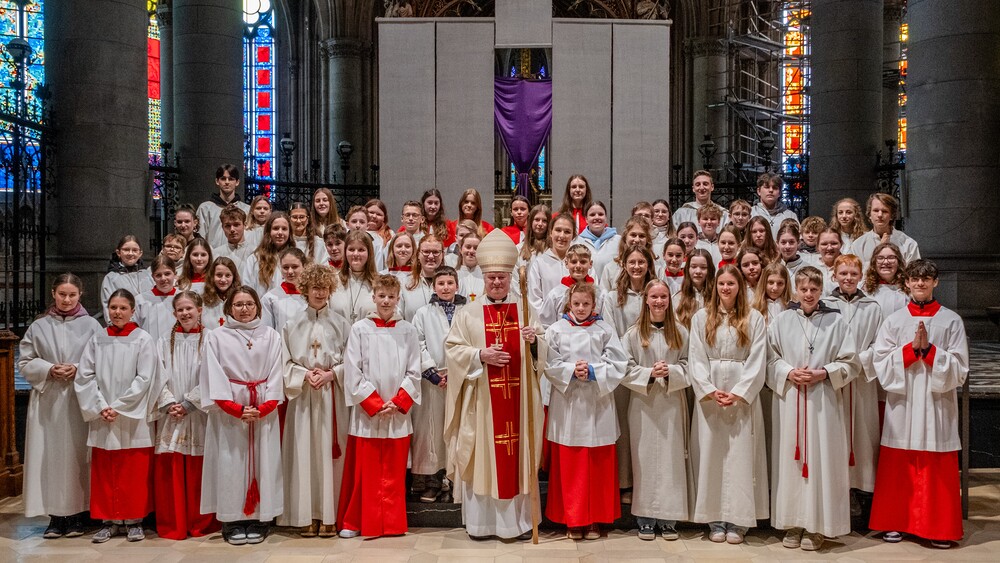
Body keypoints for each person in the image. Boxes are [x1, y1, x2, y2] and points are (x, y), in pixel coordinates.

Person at [444, 228, 543, 540]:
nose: (497, 282)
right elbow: (453, 350)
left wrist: (534, 341)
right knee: (484, 459)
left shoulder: (526, 310)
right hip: (483, 404)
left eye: (502, 277)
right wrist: (480, 355)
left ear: (509, 277)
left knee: (517, 459)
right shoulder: (469, 314)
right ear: (483, 278)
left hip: (519, 403)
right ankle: (482, 524)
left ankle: (518, 524)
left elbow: (545, 354)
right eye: (492, 278)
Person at [869, 260, 968, 549]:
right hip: (904, 401)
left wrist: (931, 351)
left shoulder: (952, 321)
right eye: (915, 279)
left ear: (936, 282)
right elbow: (880, 362)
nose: (920, 284)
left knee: (935, 460)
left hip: (936, 402)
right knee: (898, 459)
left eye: (926, 279)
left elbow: (960, 368)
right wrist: (911, 351)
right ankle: (894, 522)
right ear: (907, 283)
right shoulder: (894, 320)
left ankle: (937, 528)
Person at [766, 266, 860, 551]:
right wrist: (787, 372)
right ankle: (792, 523)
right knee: (790, 462)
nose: (808, 294)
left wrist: (825, 372)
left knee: (822, 462)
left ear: (821, 291)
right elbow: (769, 358)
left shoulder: (837, 322)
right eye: (803, 289)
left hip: (823, 401)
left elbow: (851, 362)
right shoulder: (781, 321)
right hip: (790, 399)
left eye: (814, 290)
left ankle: (818, 526)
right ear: (795, 289)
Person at [688, 265, 768, 545]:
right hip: (711, 395)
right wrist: (709, 390)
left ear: (739, 287)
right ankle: (714, 517)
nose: (725, 288)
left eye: (731, 284)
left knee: (739, 456)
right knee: (711, 455)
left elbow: (758, 358)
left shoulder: (754, 317)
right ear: (715, 287)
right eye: (721, 283)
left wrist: (739, 391)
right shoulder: (701, 317)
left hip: (741, 395)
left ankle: (738, 519)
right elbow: (695, 357)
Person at [19, 274, 103, 538]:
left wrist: (77, 368)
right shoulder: (39, 326)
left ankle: (79, 514)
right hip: (50, 400)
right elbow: (25, 361)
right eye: (62, 294)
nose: (67, 300)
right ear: (53, 293)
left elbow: (102, 358)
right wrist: (48, 368)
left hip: (79, 399)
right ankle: (55, 517)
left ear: (80, 295)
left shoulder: (91, 325)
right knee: (50, 457)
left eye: (72, 295)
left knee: (78, 457)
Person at [337, 274, 421, 538]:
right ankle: (358, 521)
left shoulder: (407, 330)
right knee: (367, 470)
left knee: (394, 473)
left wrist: (397, 403)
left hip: (396, 413)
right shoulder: (360, 328)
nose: (386, 301)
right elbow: (353, 371)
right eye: (381, 296)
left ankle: (392, 524)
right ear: (373, 297)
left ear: (398, 299)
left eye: (391, 296)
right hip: (368, 414)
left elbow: (414, 371)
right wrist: (374, 403)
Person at [199, 286, 285, 545]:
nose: (244, 309)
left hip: (262, 411)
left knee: (263, 462)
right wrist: (235, 409)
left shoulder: (271, 336)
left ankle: (261, 519)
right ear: (229, 308)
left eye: (249, 303)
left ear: (258, 306)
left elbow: (276, 371)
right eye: (239, 304)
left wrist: (264, 407)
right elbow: (212, 374)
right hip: (231, 414)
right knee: (230, 463)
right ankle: (233, 520)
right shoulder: (216, 337)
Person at [543, 282, 628, 540]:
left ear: (594, 304)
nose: (581, 309)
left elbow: (618, 363)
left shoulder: (604, 329)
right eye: (576, 304)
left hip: (597, 403)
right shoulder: (556, 330)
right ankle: (572, 519)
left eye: (586, 304)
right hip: (568, 404)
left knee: (598, 464)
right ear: (569, 303)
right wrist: (571, 371)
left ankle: (594, 520)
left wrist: (593, 371)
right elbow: (548, 362)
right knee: (571, 464)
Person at [76, 288, 157, 543]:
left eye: (123, 308)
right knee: (105, 467)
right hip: (103, 413)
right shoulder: (98, 338)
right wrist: (101, 406)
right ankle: (108, 520)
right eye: (113, 308)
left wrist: (119, 406)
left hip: (131, 414)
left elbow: (145, 377)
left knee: (133, 467)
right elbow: (85, 375)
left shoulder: (143, 339)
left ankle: (134, 520)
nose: (118, 312)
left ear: (133, 310)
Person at [278, 264, 351, 538]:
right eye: (315, 287)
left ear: (331, 290)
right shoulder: (291, 324)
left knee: (331, 458)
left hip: (332, 396)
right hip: (305, 397)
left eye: (325, 287)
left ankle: (329, 515)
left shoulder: (342, 324)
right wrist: (304, 373)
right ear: (305, 290)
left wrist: (332, 373)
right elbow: (284, 363)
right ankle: (306, 515)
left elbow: (353, 363)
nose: (320, 292)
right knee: (304, 455)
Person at [621, 280, 690, 541]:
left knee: (671, 459)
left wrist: (671, 371)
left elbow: (690, 364)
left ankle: (669, 518)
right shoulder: (632, 334)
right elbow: (624, 368)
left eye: (663, 296)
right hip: (644, 403)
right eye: (654, 297)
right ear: (646, 300)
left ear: (669, 300)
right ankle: (645, 517)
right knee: (644, 459)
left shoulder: (681, 332)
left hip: (672, 401)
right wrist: (649, 373)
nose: (659, 301)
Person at [150, 290, 220, 540]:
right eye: (180, 310)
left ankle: (200, 522)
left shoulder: (212, 339)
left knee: (198, 470)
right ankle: (174, 522)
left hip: (199, 414)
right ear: (174, 313)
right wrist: (170, 403)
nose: (185, 313)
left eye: (189, 308)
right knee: (173, 470)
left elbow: (215, 374)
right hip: (172, 414)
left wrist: (190, 403)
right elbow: (156, 374)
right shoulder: (162, 342)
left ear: (200, 310)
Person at [822, 254, 883, 528]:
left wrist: (855, 363)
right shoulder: (825, 304)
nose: (848, 278)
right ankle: (836, 494)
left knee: (862, 437)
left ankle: (862, 495)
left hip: (860, 382)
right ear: (834, 275)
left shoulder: (872, 307)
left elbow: (880, 344)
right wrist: (836, 367)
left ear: (861, 276)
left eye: (853, 274)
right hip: (832, 380)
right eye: (843, 273)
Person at [411, 266, 467, 503]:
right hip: (434, 380)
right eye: (441, 283)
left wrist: (461, 371)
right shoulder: (422, 313)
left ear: (457, 285)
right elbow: (418, 342)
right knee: (431, 431)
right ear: (433, 286)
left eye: (450, 283)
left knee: (458, 429)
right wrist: (432, 372)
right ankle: (432, 480)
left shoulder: (467, 311)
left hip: (462, 378)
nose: (445, 287)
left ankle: (457, 481)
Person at [850, 193, 920, 268]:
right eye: (876, 210)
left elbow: (914, 274)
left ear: (892, 216)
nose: (880, 215)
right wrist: (879, 250)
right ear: (869, 215)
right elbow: (855, 273)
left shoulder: (908, 244)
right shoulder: (858, 245)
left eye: (885, 211)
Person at [528, 213, 575, 317]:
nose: (562, 236)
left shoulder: (579, 263)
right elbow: (535, 300)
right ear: (550, 232)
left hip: (578, 325)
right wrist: (548, 322)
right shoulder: (539, 263)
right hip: (548, 327)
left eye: (567, 232)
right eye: (558, 230)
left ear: (573, 235)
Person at [540, 243, 598, 328]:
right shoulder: (555, 295)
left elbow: (604, 325)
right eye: (574, 262)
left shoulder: (600, 294)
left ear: (590, 264)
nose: (578, 266)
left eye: (583, 262)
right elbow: (546, 327)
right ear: (566, 263)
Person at [101, 235, 153, 322]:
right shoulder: (111, 278)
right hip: (123, 325)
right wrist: (112, 323)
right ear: (118, 253)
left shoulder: (147, 275)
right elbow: (107, 304)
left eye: (135, 250)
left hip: (148, 323)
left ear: (140, 253)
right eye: (126, 250)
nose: (130, 253)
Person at [197, 164, 250, 248]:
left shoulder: (246, 209)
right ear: (217, 181)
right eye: (223, 178)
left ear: (237, 182)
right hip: (214, 256)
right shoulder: (205, 208)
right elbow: (200, 237)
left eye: (231, 179)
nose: (227, 182)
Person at [331, 230, 378, 324]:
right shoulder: (333, 280)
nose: (355, 254)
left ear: (369, 253)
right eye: (351, 249)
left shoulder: (380, 282)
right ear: (345, 252)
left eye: (361, 250)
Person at [242, 211, 294, 296]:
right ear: (268, 231)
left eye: (284, 229)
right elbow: (247, 289)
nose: (280, 233)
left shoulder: (297, 259)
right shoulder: (255, 259)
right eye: (276, 228)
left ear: (289, 233)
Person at [400, 235, 446, 321]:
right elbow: (398, 317)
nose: (431, 256)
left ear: (443, 255)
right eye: (426, 252)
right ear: (418, 254)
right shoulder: (404, 283)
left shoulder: (451, 283)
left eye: (436, 252)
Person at [135, 255, 179, 342]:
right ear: (153, 277)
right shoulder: (141, 300)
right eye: (158, 275)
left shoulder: (183, 297)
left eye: (167, 274)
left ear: (174, 273)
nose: (163, 278)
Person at [574, 201, 619, 280]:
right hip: (585, 290)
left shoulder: (618, 241)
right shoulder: (576, 242)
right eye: (592, 215)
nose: (597, 217)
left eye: (601, 214)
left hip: (611, 290)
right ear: (586, 219)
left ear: (606, 218)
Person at [864, 242, 910, 319]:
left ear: (898, 262)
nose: (886, 262)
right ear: (874, 262)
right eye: (880, 258)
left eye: (891, 257)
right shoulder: (864, 288)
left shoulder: (908, 288)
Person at [673, 248, 714, 329]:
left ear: (710, 270)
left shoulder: (717, 297)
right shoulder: (677, 299)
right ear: (688, 269)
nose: (698, 271)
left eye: (703, 267)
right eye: (694, 266)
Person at [750, 173, 798, 238]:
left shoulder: (790, 215)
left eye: (775, 188)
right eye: (767, 187)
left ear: (780, 193)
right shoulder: (750, 213)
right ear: (759, 191)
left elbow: (797, 238)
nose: (771, 190)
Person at [202, 257, 242, 330]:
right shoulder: (202, 301)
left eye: (227, 275)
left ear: (234, 277)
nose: (223, 280)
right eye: (219, 275)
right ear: (212, 276)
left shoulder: (240, 299)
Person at [814, 228, 843, 296]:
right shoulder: (811, 267)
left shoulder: (850, 266)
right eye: (824, 244)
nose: (829, 248)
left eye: (834, 243)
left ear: (841, 244)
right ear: (817, 246)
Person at [457, 231, 484, 300]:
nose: (471, 251)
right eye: (468, 247)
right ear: (460, 249)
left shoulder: (487, 276)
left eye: (476, 248)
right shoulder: (453, 275)